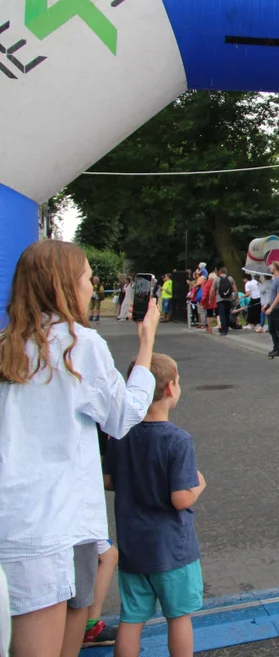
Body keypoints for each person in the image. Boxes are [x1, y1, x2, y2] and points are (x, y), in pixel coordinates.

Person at [0, 240, 158, 657]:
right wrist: (146, 345)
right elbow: (123, 416)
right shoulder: (79, 344)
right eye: (89, 277)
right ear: (66, 285)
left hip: (14, 520)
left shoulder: (6, 346)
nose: (94, 286)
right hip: (49, 528)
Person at [104, 354, 205, 657]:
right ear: (171, 389)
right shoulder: (178, 440)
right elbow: (181, 498)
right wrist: (199, 483)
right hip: (172, 548)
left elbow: (109, 481)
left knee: (131, 619)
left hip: (133, 544)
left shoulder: (119, 435)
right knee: (178, 617)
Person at [262, 262, 279, 358]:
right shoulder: (274, 280)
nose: (270, 268)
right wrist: (266, 305)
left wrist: (271, 307)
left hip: (278, 308)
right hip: (272, 307)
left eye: (271, 267)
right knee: (272, 328)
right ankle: (276, 346)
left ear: (275, 268)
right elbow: (272, 295)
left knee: (278, 329)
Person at [215, 267, 236, 336]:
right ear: (226, 272)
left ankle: (224, 330)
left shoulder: (217, 279)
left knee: (222, 315)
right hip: (229, 299)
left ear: (219, 272)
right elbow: (235, 288)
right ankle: (226, 328)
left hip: (220, 299)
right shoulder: (230, 278)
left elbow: (212, 289)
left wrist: (210, 298)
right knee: (227, 314)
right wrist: (237, 297)